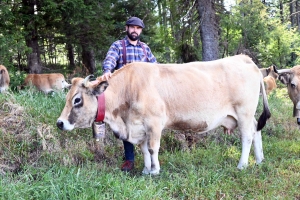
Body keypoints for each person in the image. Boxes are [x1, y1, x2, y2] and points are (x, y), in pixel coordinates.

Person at [101, 16, 158, 172]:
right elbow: (110, 60)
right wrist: (107, 70)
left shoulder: (145, 48)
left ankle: (151, 156)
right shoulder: (119, 46)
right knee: (126, 125)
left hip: (144, 94)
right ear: (126, 28)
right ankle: (129, 160)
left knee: (148, 124)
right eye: (132, 27)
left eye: (138, 28)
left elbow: (156, 67)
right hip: (124, 97)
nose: (135, 30)